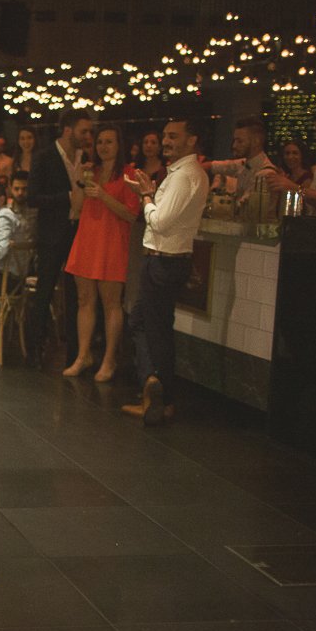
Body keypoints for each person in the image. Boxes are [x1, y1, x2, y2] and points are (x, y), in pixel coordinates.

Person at [122, 119, 209, 426]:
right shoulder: (180, 173)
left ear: (192, 139)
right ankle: (154, 389)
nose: (166, 141)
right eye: (165, 136)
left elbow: (159, 222)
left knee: (152, 328)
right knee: (146, 322)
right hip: (164, 259)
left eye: (174, 136)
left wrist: (146, 197)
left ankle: (159, 392)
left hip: (165, 261)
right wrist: (149, 192)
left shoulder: (186, 175)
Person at [62, 125, 140, 383]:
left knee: (111, 303)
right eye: (100, 142)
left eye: (109, 142)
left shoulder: (129, 174)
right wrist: (80, 183)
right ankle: (83, 355)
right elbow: (76, 207)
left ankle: (109, 358)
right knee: (84, 300)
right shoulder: (91, 171)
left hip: (112, 242)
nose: (103, 147)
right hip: (86, 239)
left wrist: (103, 195)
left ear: (120, 145)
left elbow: (131, 214)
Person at [26, 108, 93, 369]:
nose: (88, 136)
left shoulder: (84, 158)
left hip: (79, 232)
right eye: (83, 131)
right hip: (52, 232)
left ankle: (75, 352)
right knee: (45, 291)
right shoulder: (44, 156)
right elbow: (33, 198)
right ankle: (34, 349)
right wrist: (66, 197)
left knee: (78, 294)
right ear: (68, 130)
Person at [125, 130, 168, 314]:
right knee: (133, 268)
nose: (149, 146)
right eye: (146, 142)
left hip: (155, 223)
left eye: (153, 142)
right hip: (137, 221)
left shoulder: (165, 170)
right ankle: (130, 309)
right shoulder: (135, 169)